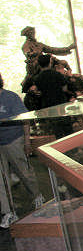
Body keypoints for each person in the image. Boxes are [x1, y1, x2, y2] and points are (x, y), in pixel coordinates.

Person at [0, 72, 45, 228]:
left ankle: (37, 196)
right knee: (1, 179)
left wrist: (27, 141)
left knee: (24, 171)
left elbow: (25, 119)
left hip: (14, 139)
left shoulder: (10, 97)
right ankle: (9, 212)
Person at [20, 26, 76, 90]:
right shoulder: (26, 45)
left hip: (45, 61)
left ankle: (68, 77)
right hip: (35, 64)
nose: (33, 34)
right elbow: (27, 53)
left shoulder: (39, 44)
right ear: (28, 34)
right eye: (31, 33)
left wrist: (68, 48)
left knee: (62, 63)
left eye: (33, 32)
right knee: (35, 74)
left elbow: (52, 50)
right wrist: (35, 53)